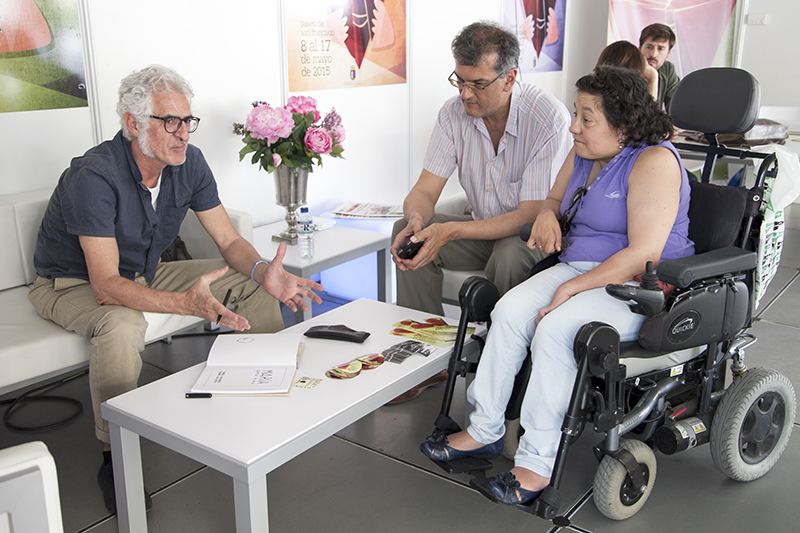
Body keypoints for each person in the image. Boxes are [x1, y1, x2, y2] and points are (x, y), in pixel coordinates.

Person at [28, 65, 323, 512]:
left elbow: (228, 241)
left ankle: (263, 396)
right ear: (132, 123)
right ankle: (116, 456)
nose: (182, 133)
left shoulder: (190, 163)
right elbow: (107, 285)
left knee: (252, 284)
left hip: (142, 272)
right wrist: (185, 304)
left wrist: (264, 271)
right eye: (170, 121)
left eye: (187, 121)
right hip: (69, 282)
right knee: (122, 324)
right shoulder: (93, 176)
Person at [420, 65, 694, 505]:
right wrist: (548, 213)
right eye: (575, 114)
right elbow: (551, 199)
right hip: (578, 267)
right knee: (508, 312)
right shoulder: (584, 151)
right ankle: (485, 429)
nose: (574, 127)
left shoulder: (654, 161)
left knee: (556, 330)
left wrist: (572, 288)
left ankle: (536, 463)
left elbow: (644, 254)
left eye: (587, 118)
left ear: (622, 125)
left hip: (638, 283)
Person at [388, 21, 571, 404]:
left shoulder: (547, 118)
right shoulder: (453, 113)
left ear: (510, 78)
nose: (466, 93)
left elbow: (530, 214)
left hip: (532, 238)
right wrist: (420, 221)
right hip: (480, 229)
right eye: (460, 80)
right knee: (405, 229)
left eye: (478, 84)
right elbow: (424, 190)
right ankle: (428, 358)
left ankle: (498, 365)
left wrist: (452, 232)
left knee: (507, 252)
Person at [638, 23, 680, 111]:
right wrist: (653, 78)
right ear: (639, 48)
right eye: (649, 47)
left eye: (660, 49)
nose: (653, 54)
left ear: (668, 54)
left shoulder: (667, 69)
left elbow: (676, 110)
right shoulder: (627, 67)